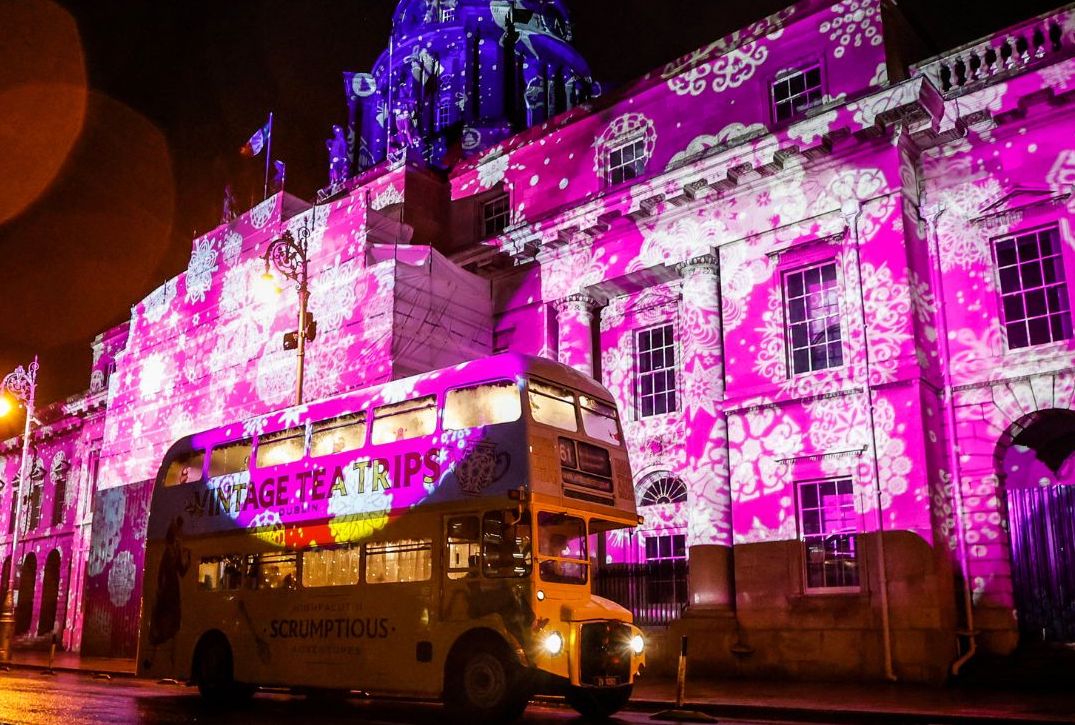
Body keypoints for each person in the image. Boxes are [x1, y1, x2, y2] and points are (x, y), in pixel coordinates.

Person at [149, 516, 191, 646]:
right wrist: (160, 588)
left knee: (173, 621)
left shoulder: (175, 551)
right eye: (176, 534)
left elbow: (182, 571)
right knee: (161, 616)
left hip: (173, 589)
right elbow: (161, 572)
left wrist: (188, 560)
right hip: (168, 589)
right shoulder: (167, 551)